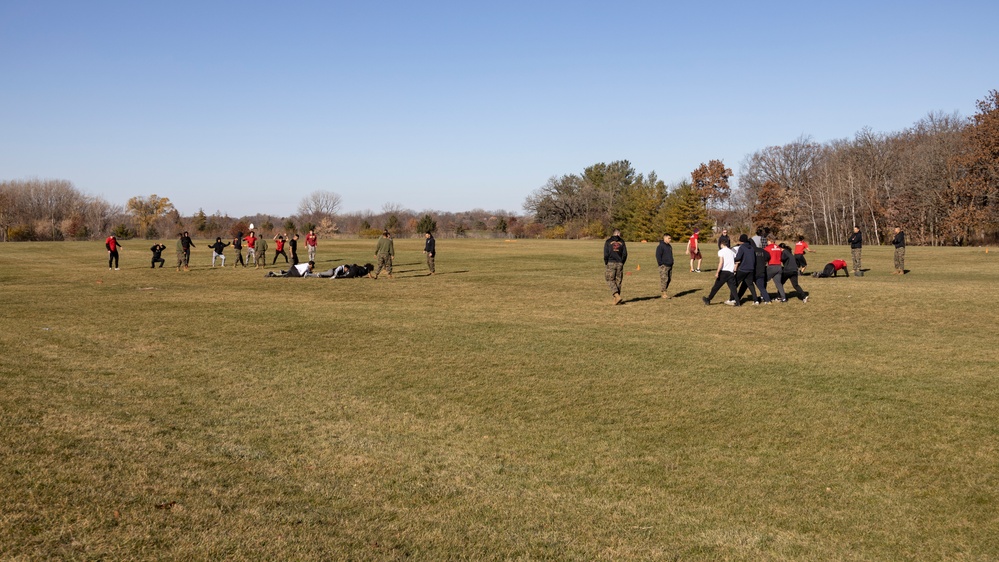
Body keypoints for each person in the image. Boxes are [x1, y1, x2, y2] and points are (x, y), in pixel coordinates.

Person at [702, 239, 738, 306]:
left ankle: (708, 299)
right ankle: (737, 302)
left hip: (723, 272)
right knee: (733, 288)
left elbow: (721, 262)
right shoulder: (732, 252)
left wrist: (717, 272)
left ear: (721, 244)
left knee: (716, 287)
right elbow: (736, 261)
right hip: (731, 272)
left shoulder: (721, 251)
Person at [603, 229, 627, 305]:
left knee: (609, 279)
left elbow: (606, 253)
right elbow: (625, 254)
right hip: (619, 263)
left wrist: (606, 262)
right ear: (617, 233)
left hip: (610, 262)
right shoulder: (622, 242)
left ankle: (616, 295)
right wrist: (622, 262)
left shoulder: (608, 241)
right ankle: (616, 299)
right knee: (618, 281)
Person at [733, 234, 758, 304]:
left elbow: (738, 258)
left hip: (743, 269)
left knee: (734, 283)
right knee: (750, 285)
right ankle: (755, 300)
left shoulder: (741, 248)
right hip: (751, 269)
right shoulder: (752, 248)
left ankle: (733, 299)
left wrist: (732, 259)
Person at [655, 233, 674, 299]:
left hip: (670, 265)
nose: (670, 240)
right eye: (669, 238)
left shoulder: (669, 246)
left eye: (670, 238)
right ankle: (664, 293)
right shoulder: (660, 246)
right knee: (664, 279)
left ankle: (664, 290)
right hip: (664, 266)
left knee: (669, 279)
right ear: (665, 238)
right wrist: (661, 264)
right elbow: (658, 256)